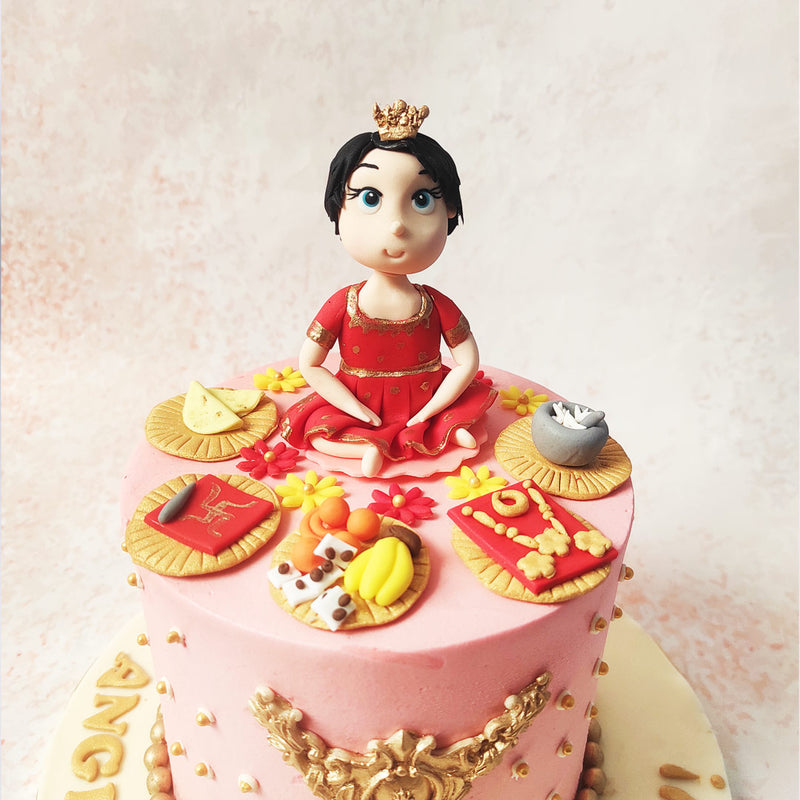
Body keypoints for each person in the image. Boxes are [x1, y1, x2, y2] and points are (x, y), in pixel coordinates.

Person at [281, 101, 496, 477]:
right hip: (356, 400)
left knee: (460, 414)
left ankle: (442, 428)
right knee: (318, 433)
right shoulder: (343, 303)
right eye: (370, 198)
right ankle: (366, 446)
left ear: (448, 210)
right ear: (337, 208)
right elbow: (309, 364)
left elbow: (468, 363)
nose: (397, 225)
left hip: (427, 396)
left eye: (421, 199)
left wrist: (431, 410)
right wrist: (355, 409)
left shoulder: (435, 304)